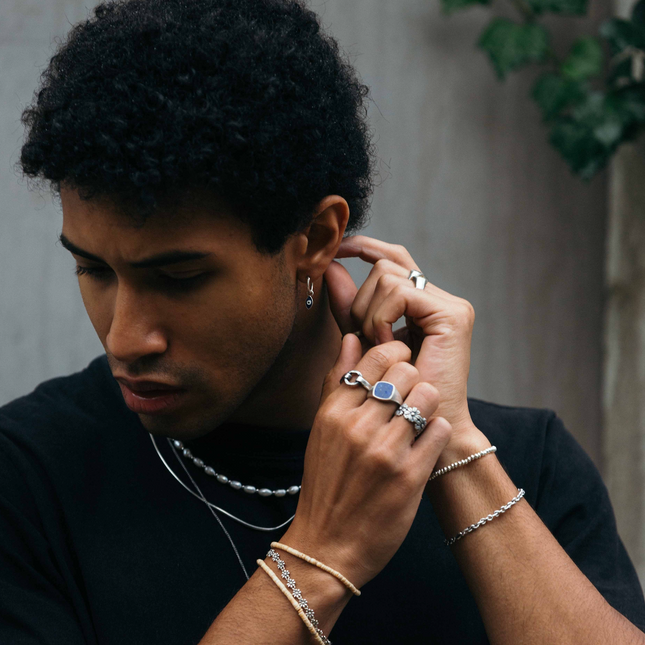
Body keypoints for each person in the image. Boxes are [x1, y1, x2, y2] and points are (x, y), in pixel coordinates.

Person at [2, 0, 644, 642]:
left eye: (179, 279)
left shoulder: (528, 463)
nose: (125, 338)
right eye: (95, 271)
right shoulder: (31, 477)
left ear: (314, 236)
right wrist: (320, 556)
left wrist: (452, 446)